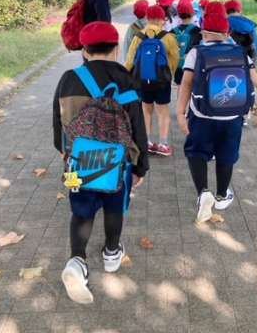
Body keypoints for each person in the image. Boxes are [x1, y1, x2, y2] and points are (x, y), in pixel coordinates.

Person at [53, 21, 148, 304]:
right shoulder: (126, 79)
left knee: (81, 210)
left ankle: (77, 261)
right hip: (118, 163)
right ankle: (111, 252)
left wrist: (65, 152)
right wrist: (140, 165)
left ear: (84, 50)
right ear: (116, 49)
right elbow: (138, 126)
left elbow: (58, 122)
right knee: (114, 206)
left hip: (77, 162)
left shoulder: (68, 79)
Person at [176, 2, 257, 223]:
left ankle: (203, 192)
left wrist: (180, 113)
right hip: (233, 117)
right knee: (226, 154)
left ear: (204, 32)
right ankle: (222, 195)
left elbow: (186, 83)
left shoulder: (196, 52)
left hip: (201, 115)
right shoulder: (241, 53)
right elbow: (255, 80)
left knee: (196, 152)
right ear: (227, 33)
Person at [125, 5, 179, 157]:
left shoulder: (138, 36)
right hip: (162, 81)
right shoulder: (168, 37)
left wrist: (126, 77)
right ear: (162, 19)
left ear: (147, 19)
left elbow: (130, 60)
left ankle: (147, 142)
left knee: (146, 110)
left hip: (143, 80)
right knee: (163, 111)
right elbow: (175, 58)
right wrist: (170, 74)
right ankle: (163, 144)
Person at [172, 0, 202, 90]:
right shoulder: (198, 31)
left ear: (178, 15)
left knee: (180, 87)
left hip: (178, 65)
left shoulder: (172, 32)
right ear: (192, 13)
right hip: (193, 65)